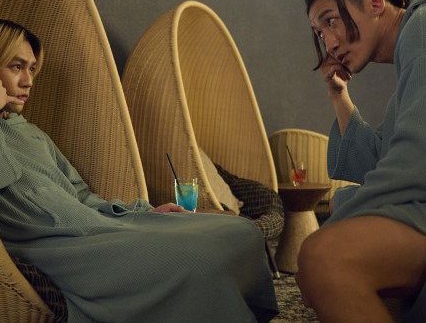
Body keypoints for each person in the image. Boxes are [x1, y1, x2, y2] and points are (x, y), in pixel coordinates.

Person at [0, 19, 278, 322]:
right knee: (199, 258)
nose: (28, 80)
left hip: (100, 226)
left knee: (240, 232)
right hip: (63, 249)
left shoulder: (33, 134)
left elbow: (81, 195)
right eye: (16, 67)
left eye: (32, 69)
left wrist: (142, 212)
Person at [297, 0, 426, 322]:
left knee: (322, 257)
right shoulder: (410, 57)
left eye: (330, 21)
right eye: (319, 33)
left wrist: (343, 219)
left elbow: (416, 158)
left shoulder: (421, 26)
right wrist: (339, 95)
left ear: (375, 2)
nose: (329, 43)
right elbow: (384, 158)